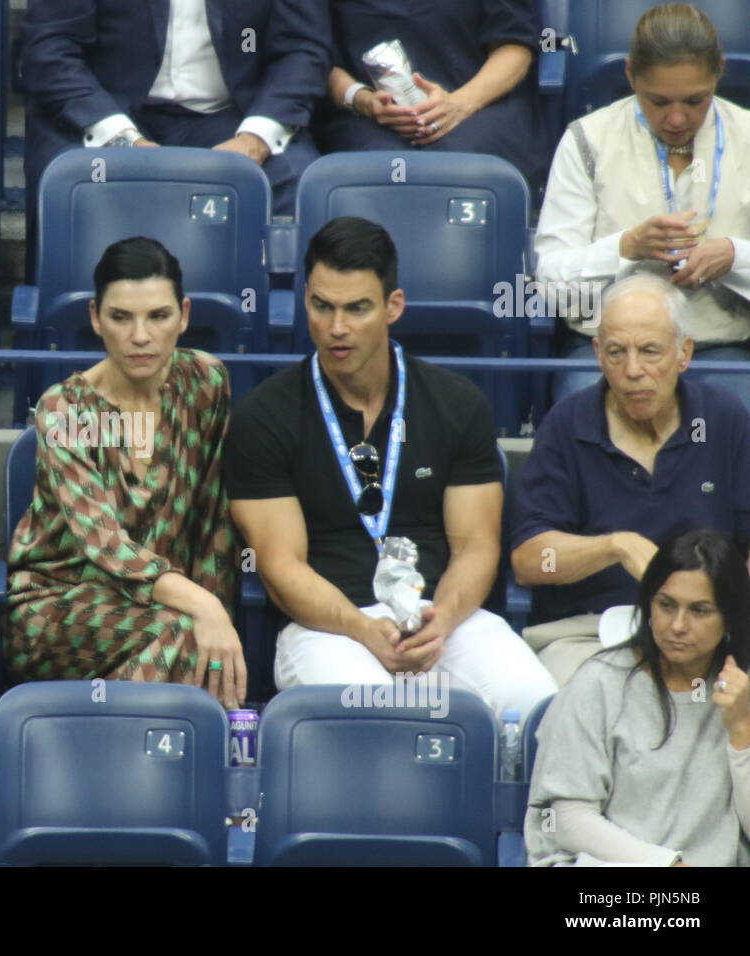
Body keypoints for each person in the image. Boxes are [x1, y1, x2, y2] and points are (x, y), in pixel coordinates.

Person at [225, 216, 555, 718]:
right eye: (321, 306)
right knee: (378, 719)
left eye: (357, 308)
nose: (337, 328)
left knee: (533, 703)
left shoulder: (457, 403)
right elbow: (280, 566)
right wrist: (363, 630)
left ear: (392, 307)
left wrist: (439, 620)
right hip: (329, 626)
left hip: (441, 614)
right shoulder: (262, 416)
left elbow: (476, 545)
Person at [5, 237, 244, 708]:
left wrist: (220, 620)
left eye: (158, 316)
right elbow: (105, 545)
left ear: (185, 315)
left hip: (169, 608)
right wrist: (203, 605)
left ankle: (103, 752)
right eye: (121, 317)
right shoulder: (64, 408)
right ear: (96, 317)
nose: (140, 336)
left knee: (188, 635)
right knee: (183, 629)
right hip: (59, 607)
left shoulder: (206, 382)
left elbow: (213, 524)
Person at [511, 274, 750, 686]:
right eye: (617, 352)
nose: (633, 370)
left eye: (650, 351)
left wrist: (717, 610)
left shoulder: (723, 418)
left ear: (684, 353)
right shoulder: (568, 424)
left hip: (712, 633)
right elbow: (533, 562)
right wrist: (613, 546)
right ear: (598, 354)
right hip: (594, 633)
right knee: (579, 702)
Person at [536, 3, 750, 403]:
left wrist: (733, 255)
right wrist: (624, 249)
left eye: (694, 100)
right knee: (586, 432)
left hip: (720, 346)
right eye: (658, 101)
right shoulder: (588, 139)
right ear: (630, 74)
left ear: (719, 71)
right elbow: (551, 286)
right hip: (613, 349)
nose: (676, 119)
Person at [526, 529, 750, 866]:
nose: (677, 625)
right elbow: (566, 820)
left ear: (729, 618)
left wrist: (742, 733)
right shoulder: (599, 682)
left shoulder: (741, 695)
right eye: (666, 605)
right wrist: (667, 865)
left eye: (699, 610)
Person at [20, 0, 329, 218]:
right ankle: (85, 310)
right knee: (69, 182)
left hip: (235, 117)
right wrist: (122, 139)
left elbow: (301, 49)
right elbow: (52, 49)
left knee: (294, 182)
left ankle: (253, 309)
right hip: (106, 111)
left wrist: (256, 138)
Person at [320, 0, 544, 187]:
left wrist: (458, 105)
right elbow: (313, 54)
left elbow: (514, 46)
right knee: (375, 170)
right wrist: (363, 100)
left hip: (480, 102)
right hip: (367, 114)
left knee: (459, 168)